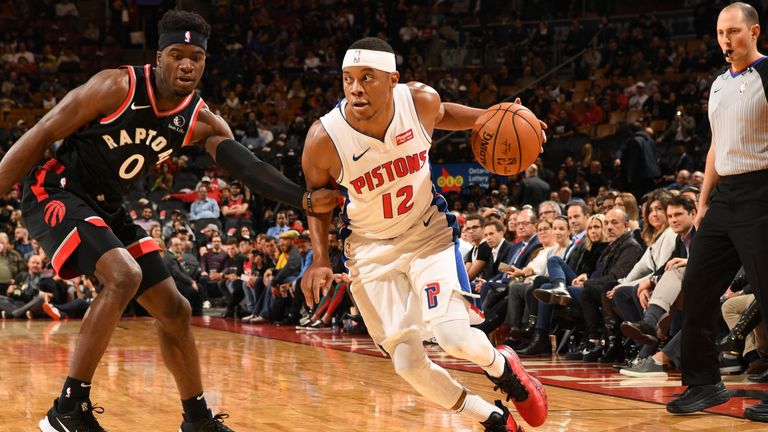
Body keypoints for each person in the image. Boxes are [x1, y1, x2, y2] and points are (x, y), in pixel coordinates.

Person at [0, 9, 338, 432]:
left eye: (195, 57)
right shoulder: (116, 85)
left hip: (108, 205)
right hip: (56, 189)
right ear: (158, 57)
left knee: (176, 309)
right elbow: (42, 132)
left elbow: (248, 167)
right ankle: (67, 410)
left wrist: (302, 198)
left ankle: (198, 421)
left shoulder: (200, 119)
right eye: (177, 54)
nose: (186, 64)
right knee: (122, 276)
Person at [300, 37, 548, 432]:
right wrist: (320, 259)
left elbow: (446, 112)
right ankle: (493, 419)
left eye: (367, 77)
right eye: (348, 79)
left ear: (393, 80)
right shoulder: (323, 139)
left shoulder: (418, 102)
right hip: (369, 251)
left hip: (426, 233)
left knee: (453, 337)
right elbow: (315, 201)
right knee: (407, 364)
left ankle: (507, 371)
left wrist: (504, 116)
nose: (356, 88)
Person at [666, 2, 768, 423]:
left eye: (734, 32)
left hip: (761, 190)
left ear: (755, 31)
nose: (726, 40)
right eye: (721, 33)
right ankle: (704, 382)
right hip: (724, 196)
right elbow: (715, 145)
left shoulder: (767, 74)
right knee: (699, 285)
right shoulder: (718, 85)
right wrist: (704, 201)